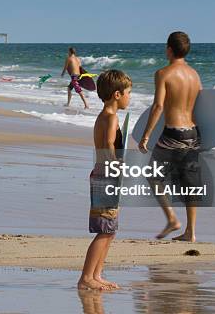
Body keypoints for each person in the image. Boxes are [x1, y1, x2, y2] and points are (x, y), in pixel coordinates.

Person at [139, 31, 202, 242]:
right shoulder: (195, 75)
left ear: (169, 49)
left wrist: (146, 135)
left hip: (172, 133)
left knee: (153, 176)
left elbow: (158, 106)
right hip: (193, 133)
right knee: (190, 183)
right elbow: (202, 104)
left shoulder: (163, 73)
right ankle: (191, 232)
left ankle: (173, 219)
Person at [78, 69, 131, 290]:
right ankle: (86, 278)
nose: (130, 97)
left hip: (100, 172)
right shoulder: (111, 117)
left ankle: (96, 274)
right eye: (129, 92)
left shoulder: (102, 116)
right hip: (107, 175)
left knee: (109, 228)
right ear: (117, 94)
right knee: (105, 229)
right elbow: (109, 144)